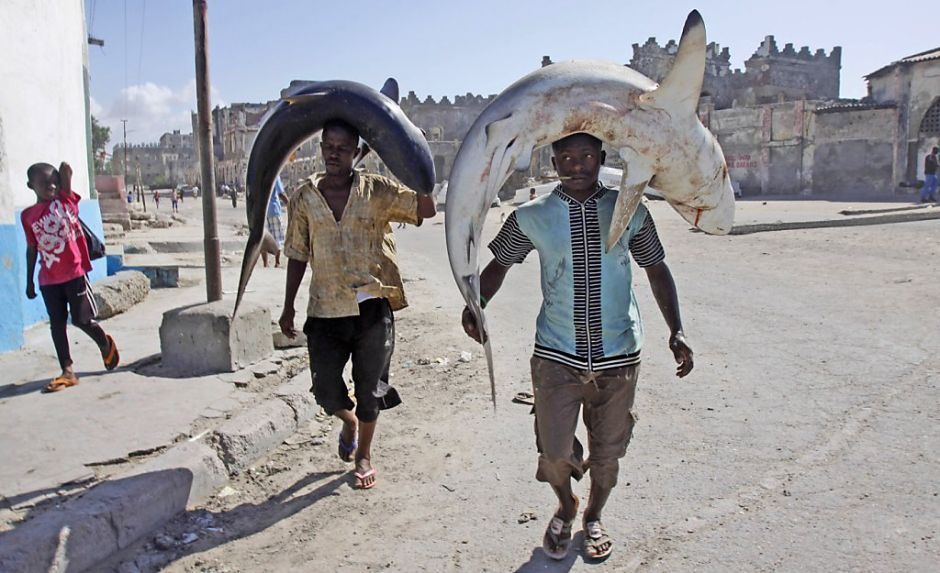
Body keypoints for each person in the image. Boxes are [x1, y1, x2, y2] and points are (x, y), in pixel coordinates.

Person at [461, 133, 693, 561]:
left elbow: (657, 268)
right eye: (566, 157)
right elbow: (498, 266)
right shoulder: (532, 215)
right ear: (554, 162)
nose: (576, 165)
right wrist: (477, 304)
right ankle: (565, 503)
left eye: (586, 156)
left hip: (619, 355)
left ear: (601, 158)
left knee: (607, 454)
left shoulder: (628, 210)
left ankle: (592, 515)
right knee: (553, 451)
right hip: (555, 356)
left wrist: (675, 329)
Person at [279, 119, 437, 490]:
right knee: (325, 390)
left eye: (342, 147)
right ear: (321, 149)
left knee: (371, 389)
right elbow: (298, 254)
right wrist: (288, 306)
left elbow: (424, 210)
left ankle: (364, 453)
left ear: (355, 152)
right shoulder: (304, 197)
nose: (334, 153)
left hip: (371, 307)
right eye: (328, 146)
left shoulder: (376, 190)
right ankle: (348, 422)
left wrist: (419, 160)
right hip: (325, 309)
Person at [21, 162, 120, 392]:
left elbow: (66, 170)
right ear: (31, 186)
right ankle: (67, 370)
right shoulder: (28, 216)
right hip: (48, 280)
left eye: (54, 181)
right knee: (57, 324)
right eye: (45, 183)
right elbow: (32, 249)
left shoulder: (64, 201)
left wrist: (64, 173)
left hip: (75, 273)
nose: (52, 185)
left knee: (81, 320)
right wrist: (29, 280)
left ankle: (105, 344)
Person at [264, 177, 289, 267]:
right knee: (277, 237)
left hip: (262, 212)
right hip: (273, 210)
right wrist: (290, 205)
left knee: (263, 238)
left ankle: (265, 264)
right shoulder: (274, 175)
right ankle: (277, 262)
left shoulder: (259, 175)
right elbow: (281, 193)